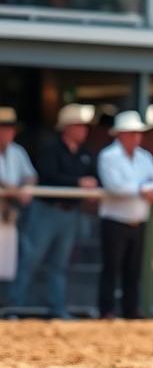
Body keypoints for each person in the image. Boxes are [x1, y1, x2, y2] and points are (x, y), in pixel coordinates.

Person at [9, 104, 95, 319]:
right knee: (30, 259)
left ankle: (57, 308)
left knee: (60, 263)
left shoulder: (84, 153)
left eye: (84, 126)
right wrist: (79, 182)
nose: (83, 130)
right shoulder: (51, 148)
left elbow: (90, 176)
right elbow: (47, 176)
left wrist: (89, 184)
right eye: (78, 125)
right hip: (46, 211)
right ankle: (13, 307)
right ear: (66, 127)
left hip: (69, 212)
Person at [96, 110, 153, 319]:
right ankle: (106, 310)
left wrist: (150, 189)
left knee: (133, 269)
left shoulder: (144, 157)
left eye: (138, 133)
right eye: (131, 133)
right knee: (111, 267)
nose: (136, 137)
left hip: (138, 219)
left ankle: (130, 310)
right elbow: (114, 186)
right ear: (120, 134)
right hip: (114, 219)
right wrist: (143, 189)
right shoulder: (108, 156)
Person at [0, 107, 37, 284]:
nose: (7, 132)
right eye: (3, 127)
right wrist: (12, 189)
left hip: (12, 213)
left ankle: (12, 305)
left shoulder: (17, 151)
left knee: (17, 256)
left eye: (9, 128)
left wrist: (25, 188)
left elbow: (31, 175)